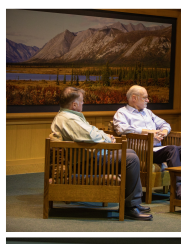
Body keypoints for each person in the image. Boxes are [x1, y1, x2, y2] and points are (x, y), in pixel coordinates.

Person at [50, 87, 152, 221]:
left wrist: (104, 136)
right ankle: (130, 207)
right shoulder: (68, 120)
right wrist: (108, 139)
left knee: (130, 152)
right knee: (131, 158)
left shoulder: (70, 116)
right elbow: (90, 135)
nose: (83, 103)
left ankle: (133, 202)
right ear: (74, 104)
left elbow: (92, 131)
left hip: (88, 158)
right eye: (82, 101)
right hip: (84, 163)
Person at [113, 85, 181, 200]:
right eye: (145, 97)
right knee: (172, 149)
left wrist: (163, 132)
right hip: (142, 151)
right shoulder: (122, 113)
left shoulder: (148, 112)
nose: (148, 100)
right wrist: (149, 132)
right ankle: (178, 189)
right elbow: (122, 129)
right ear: (134, 98)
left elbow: (165, 124)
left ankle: (179, 184)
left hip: (158, 150)